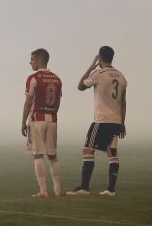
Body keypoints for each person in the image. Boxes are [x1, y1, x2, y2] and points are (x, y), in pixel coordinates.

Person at [67, 46, 128, 196]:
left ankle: (84, 187)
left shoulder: (99, 74)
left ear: (99, 57)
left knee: (88, 150)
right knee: (112, 152)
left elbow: (80, 86)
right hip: (116, 121)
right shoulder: (121, 76)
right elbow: (123, 102)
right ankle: (111, 189)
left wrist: (91, 66)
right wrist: (122, 123)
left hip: (102, 120)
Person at [21, 48, 63, 198]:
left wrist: (23, 122)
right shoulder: (57, 79)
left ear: (39, 60)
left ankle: (43, 191)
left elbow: (28, 103)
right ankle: (57, 189)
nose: (30, 62)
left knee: (38, 155)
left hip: (37, 118)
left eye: (32, 59)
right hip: (52, 119)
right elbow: (59, 101)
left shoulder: (33, 78)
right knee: (53, 155)